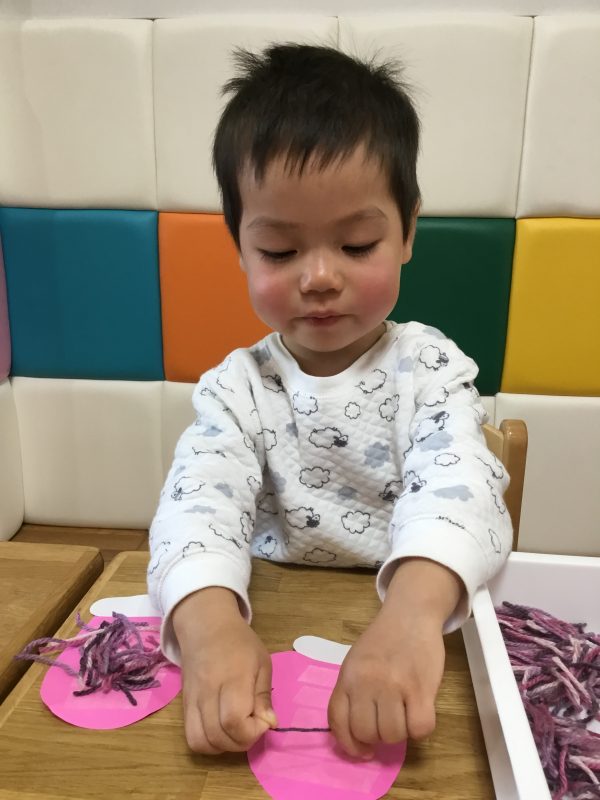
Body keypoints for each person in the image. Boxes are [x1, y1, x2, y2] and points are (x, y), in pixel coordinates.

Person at [147, 42, 512, 761]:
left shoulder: (428, 369)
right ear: (240, 248)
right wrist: (210, 625)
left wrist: (412, 617)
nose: (318, 277)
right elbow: (197, 506)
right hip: (273, 621)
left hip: (412, 625)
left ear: (407, 232)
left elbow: (463, 488)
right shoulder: (237, 388)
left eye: (357, 243)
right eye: (280, 252)